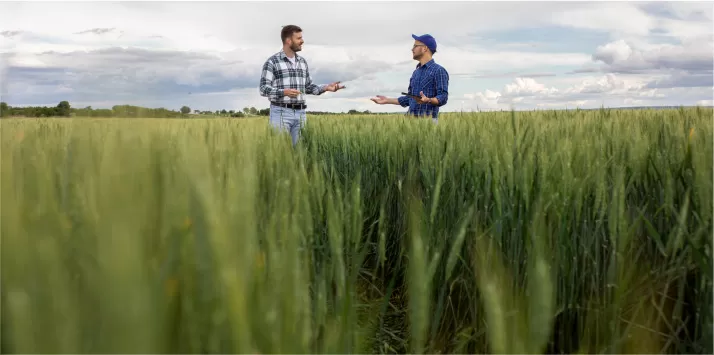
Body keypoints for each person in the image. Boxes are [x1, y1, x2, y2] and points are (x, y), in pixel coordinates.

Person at [259, 24, 345, 146]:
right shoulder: (272, 62)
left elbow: (308, 87)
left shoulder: (302, 62)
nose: (302, 41)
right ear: (288, 41)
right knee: (279, 152)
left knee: (300, 154)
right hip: (280, 113)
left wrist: (326, 88)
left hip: (301, 114)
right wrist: (283, 92)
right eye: (298, 38)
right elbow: (263, 89)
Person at [371, 34, 449, 123]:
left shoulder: (439, 70)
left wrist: (428, 100)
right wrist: (387, 100)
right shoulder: (416, 72)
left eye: (415, 46)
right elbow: (410, 99)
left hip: (428, 122)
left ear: (425, 48)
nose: (412, 49)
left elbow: (443, 97)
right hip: (410, 121)